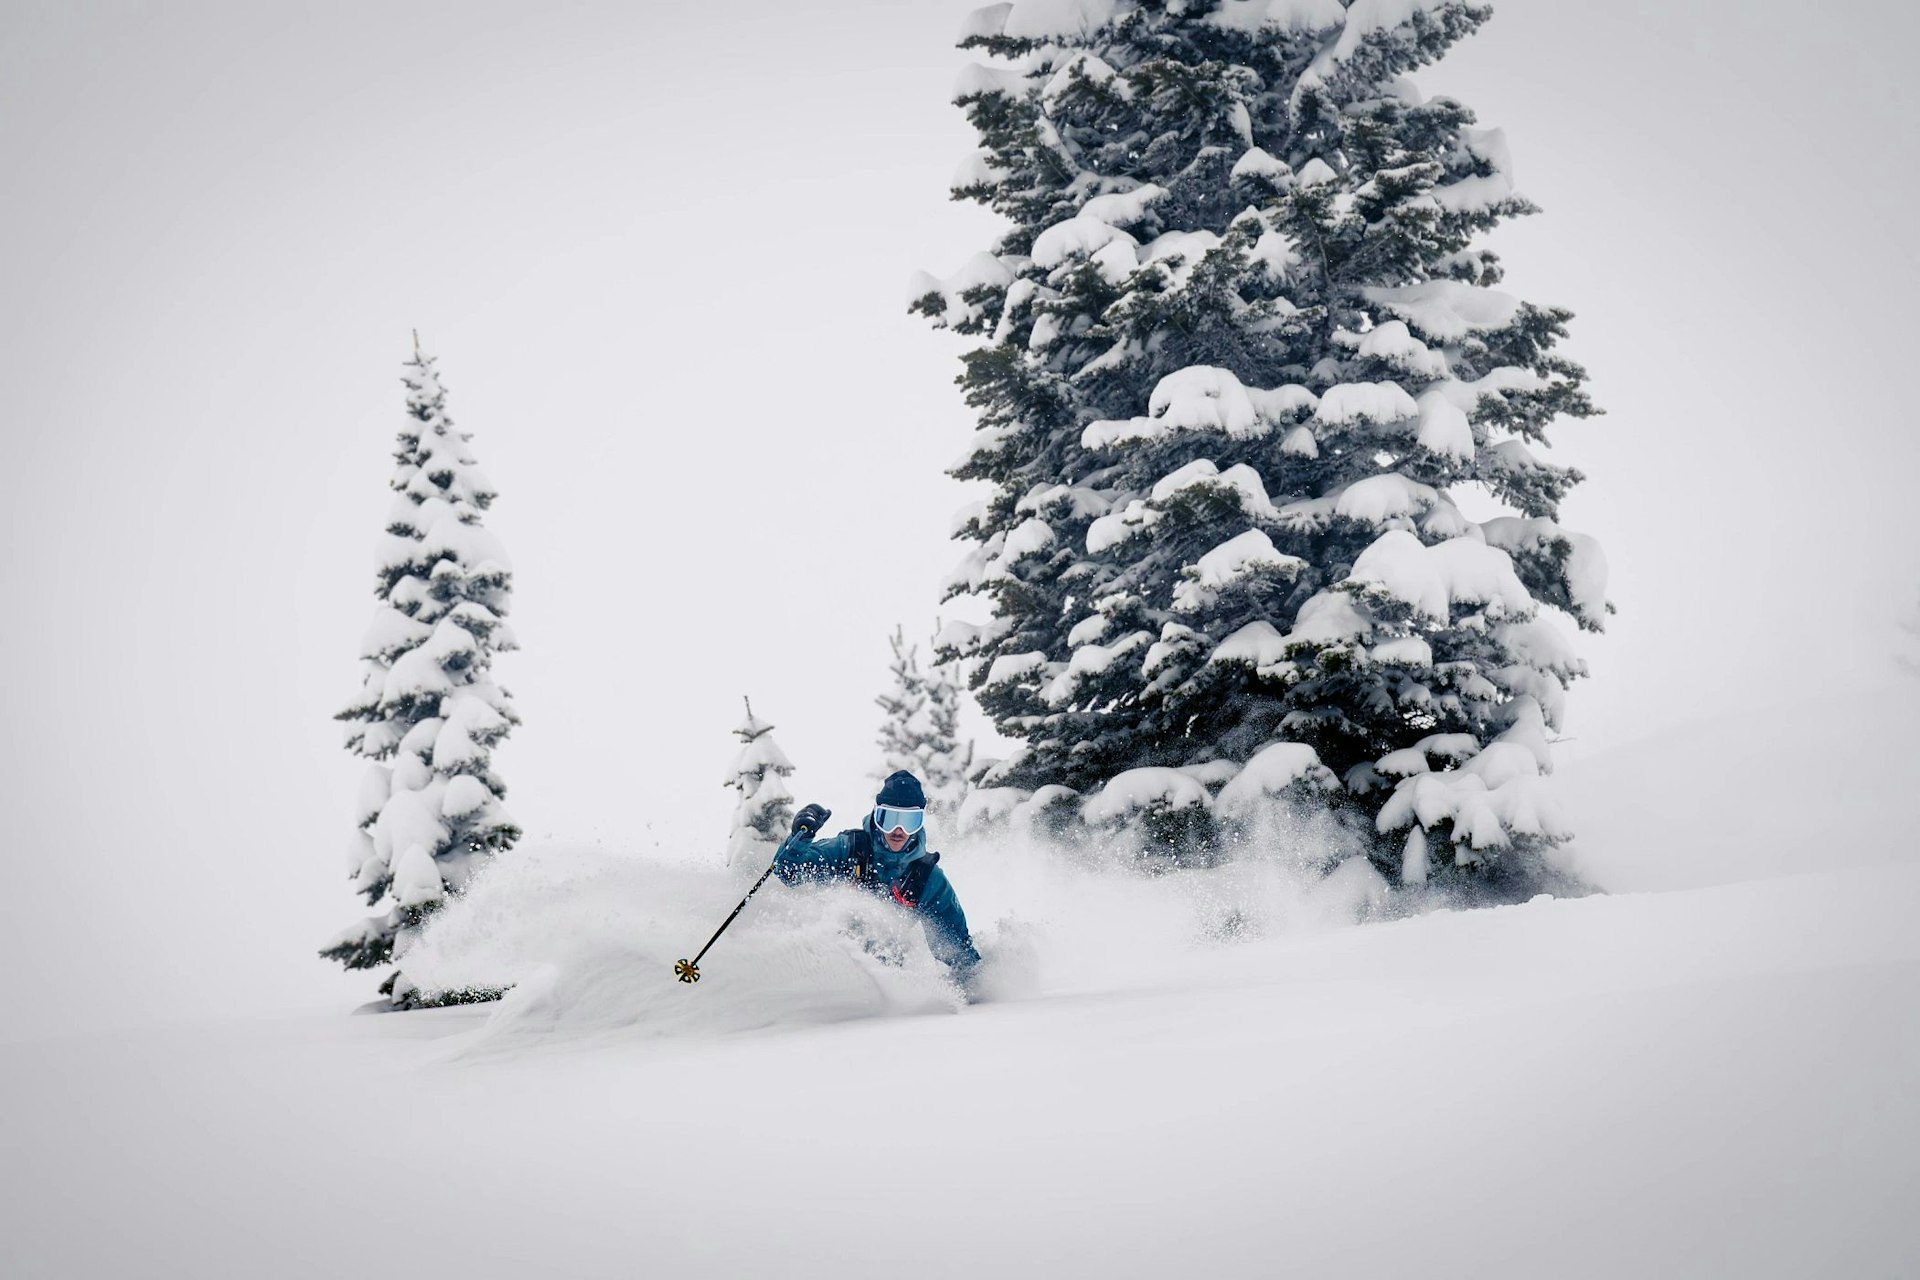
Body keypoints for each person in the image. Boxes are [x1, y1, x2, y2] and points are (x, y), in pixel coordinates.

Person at [774, 769, 982, 981]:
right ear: (877, 815)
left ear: (919, 823)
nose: (898, 830)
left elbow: (957, 950)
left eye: (909, 821)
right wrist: (800, 838)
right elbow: (788, 871)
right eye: (889, 819)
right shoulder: (852, 849)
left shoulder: (925, 877)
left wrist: (976, 983)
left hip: (882, 981)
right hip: (828, 959)